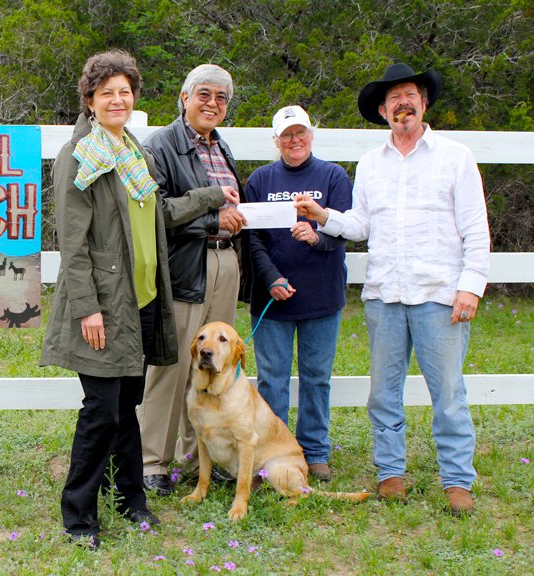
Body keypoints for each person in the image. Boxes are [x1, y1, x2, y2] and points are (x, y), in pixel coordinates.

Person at [40, 50, 239, 548]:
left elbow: (160, 212)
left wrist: (211, 195)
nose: (117, 99)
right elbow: (73, 240)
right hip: (104, 305)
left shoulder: (132, 152)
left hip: (144, 300)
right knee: (101, 410)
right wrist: (88, 307)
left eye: (125, 91)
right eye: (107, 92)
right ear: (90, 99)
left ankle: (131, 500)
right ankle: (79, 516)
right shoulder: (81, 156)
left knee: (127, 405)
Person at [294, 63, 490, 515]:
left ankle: (457, 481)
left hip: (439, 294)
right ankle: (390, 474)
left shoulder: (454, 157)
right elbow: (361, 224)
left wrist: (471, 287)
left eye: (410, 95)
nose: (403, 103)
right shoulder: (370, 163)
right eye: (394, 98)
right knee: (383, 393)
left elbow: (476, 229)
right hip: (385, 295)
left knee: (449, 395)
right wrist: (324, 218)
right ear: (383, 111)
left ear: (423, 102)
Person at [137, 64, 249, 496]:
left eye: (221, 98)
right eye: (204, 94)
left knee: (213, 366)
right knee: (172, 366)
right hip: (185, 265)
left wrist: (234, 222)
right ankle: (152, 462)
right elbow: (156, 211)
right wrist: (212, 217)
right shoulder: (160, 146)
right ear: (184, 98)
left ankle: (199, 454)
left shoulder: (222, 149)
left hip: (225, 263)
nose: (212, 104)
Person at [245, 105, 353, 483]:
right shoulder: (260, 179)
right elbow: (252, 238)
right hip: (273, 297)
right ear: (276, 140)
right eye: (287, 135)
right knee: (272, 378)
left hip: (322, 295)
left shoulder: (333, 176)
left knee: (316, 376)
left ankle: (315, 450)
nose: (295, 140)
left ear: (312, 135)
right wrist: (271, 277)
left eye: (301, 133)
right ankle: (271, 451)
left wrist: (318, 237)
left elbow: (347, 228)